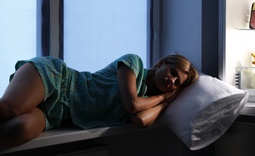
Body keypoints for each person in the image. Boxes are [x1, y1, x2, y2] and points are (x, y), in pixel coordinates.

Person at [0, 53, 199, 147]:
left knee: (19, 130)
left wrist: (165, 102)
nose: (170, 80)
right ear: (162, 63)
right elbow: (132, 105)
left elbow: (141, 120)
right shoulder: (133, 64)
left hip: (57, 115)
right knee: (9, 109)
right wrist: (163, 96)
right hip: (58, 80)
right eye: (172, 72)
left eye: (176, 82)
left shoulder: (149, 99)